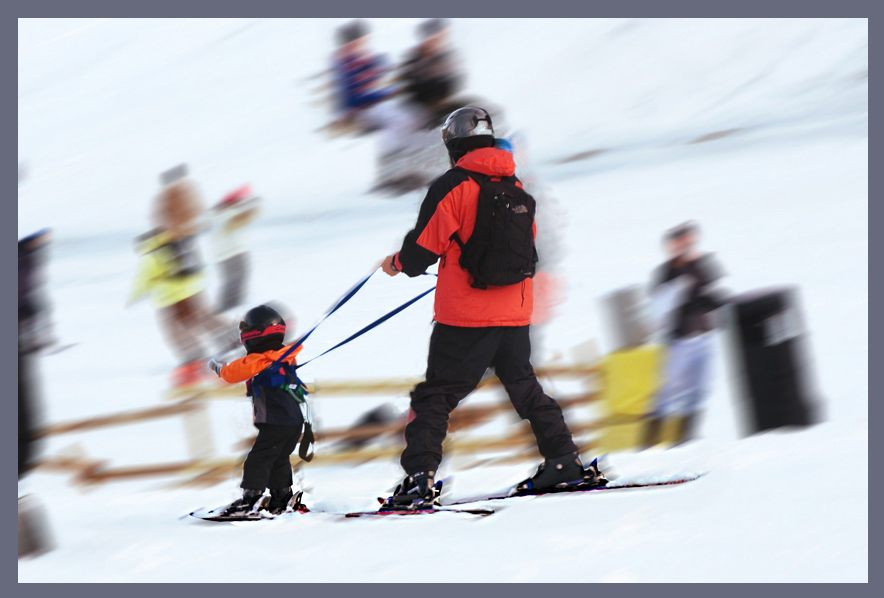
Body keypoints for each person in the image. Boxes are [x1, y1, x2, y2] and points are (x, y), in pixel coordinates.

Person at [378, 107, 605, 510]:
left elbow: (422, 251)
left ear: (454, 146)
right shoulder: (517, 187)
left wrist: (397, 263)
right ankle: (565, 461)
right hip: (516, 311)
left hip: (465, 316)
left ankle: (418, 480)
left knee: (436, 396)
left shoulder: (453, 185)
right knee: (524, 386)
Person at [206, 305, 307, 516]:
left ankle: (250, 499)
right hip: (293, 422)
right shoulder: (285, 356)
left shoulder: (257, 361)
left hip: (275, 422)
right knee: (278, 458)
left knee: (258, 460)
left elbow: (232, 373)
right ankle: (282, 497)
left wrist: (216, 367)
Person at [643, 221, 728, 448]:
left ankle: (684, 440)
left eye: (688, 240)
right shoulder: (666, 272)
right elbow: (657, 308)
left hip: (705, 337)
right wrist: (678, 292)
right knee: (666, 392)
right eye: (678, 242)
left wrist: (718, 304)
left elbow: (717, 294)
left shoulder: (704, 264)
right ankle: (648, 443)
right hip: (678, 341)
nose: (683, 245)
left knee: (699, 390)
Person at [127, 227, 235, 388]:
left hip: (170, 298)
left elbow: (142, 280)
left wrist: (132, 298)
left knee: (176, 331)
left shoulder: (150, 255)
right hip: (193, 292)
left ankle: (194, 361)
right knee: (205, 318)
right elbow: (200, 269)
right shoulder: (178, 245)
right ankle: (236, 338)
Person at [209, 185, 261, 314]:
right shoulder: (226, 214)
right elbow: (240, 220)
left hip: (232, 254)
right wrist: (252, 207)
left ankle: (233, 308)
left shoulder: (224, 213)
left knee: (236, 281)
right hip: (232, 255)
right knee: (234, 282)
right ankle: (226, 310)